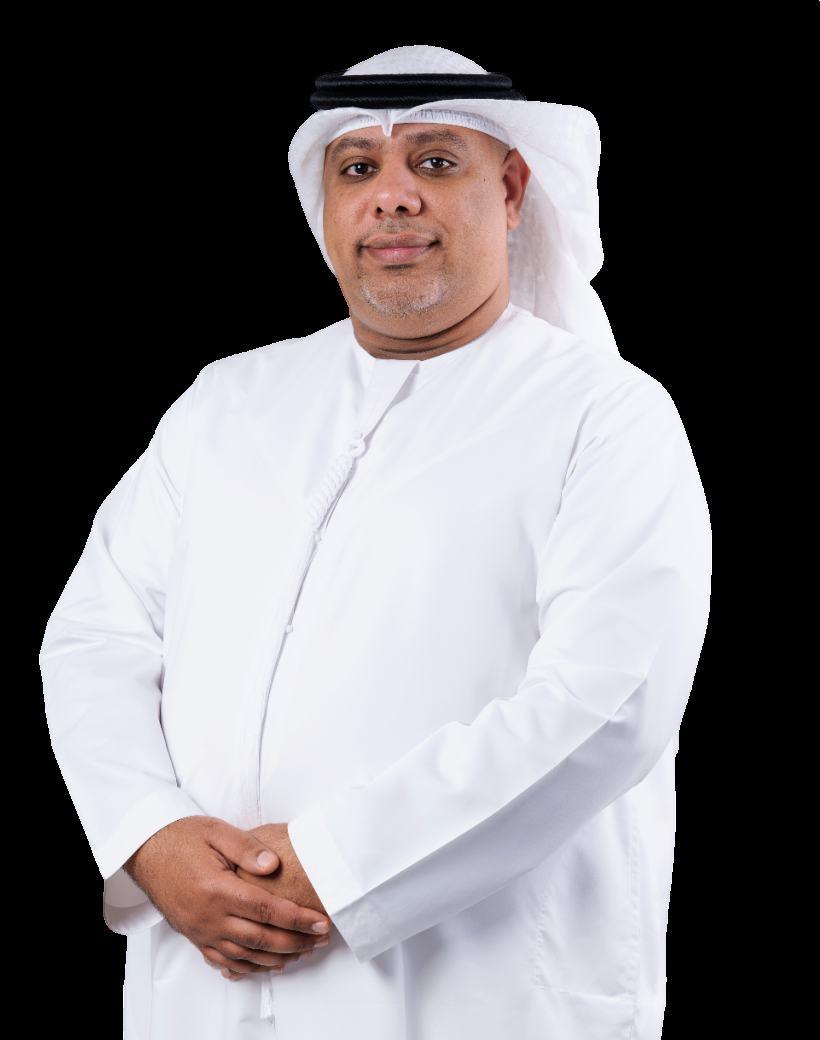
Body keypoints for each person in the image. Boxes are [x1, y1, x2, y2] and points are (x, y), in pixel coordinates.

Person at [39, 44, 712, 1040]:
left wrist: (335, 865)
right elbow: (96, 638)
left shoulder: (603, 415)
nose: (391, 196)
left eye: (435, 162)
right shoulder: (227, 402)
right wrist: (153, 835)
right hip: (201, 993)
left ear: (511, 191)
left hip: (480, 1000)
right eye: (358, 168)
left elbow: (609, 699)